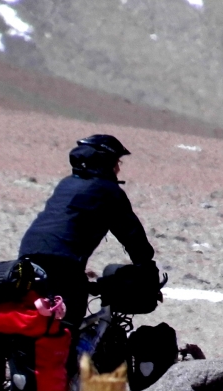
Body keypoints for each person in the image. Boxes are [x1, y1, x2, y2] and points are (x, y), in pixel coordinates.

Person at [18, 134, 157, 376]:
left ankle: (28, 372)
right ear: (105, 161)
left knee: (43, 315)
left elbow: (66, 224)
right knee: (68, 322)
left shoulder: (67, 183)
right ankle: (59, 388)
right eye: (116, 161)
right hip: (62, 260)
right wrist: (145, 264)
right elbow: (130, 232)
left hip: (30, 253)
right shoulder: (108, 190)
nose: (118, 167)